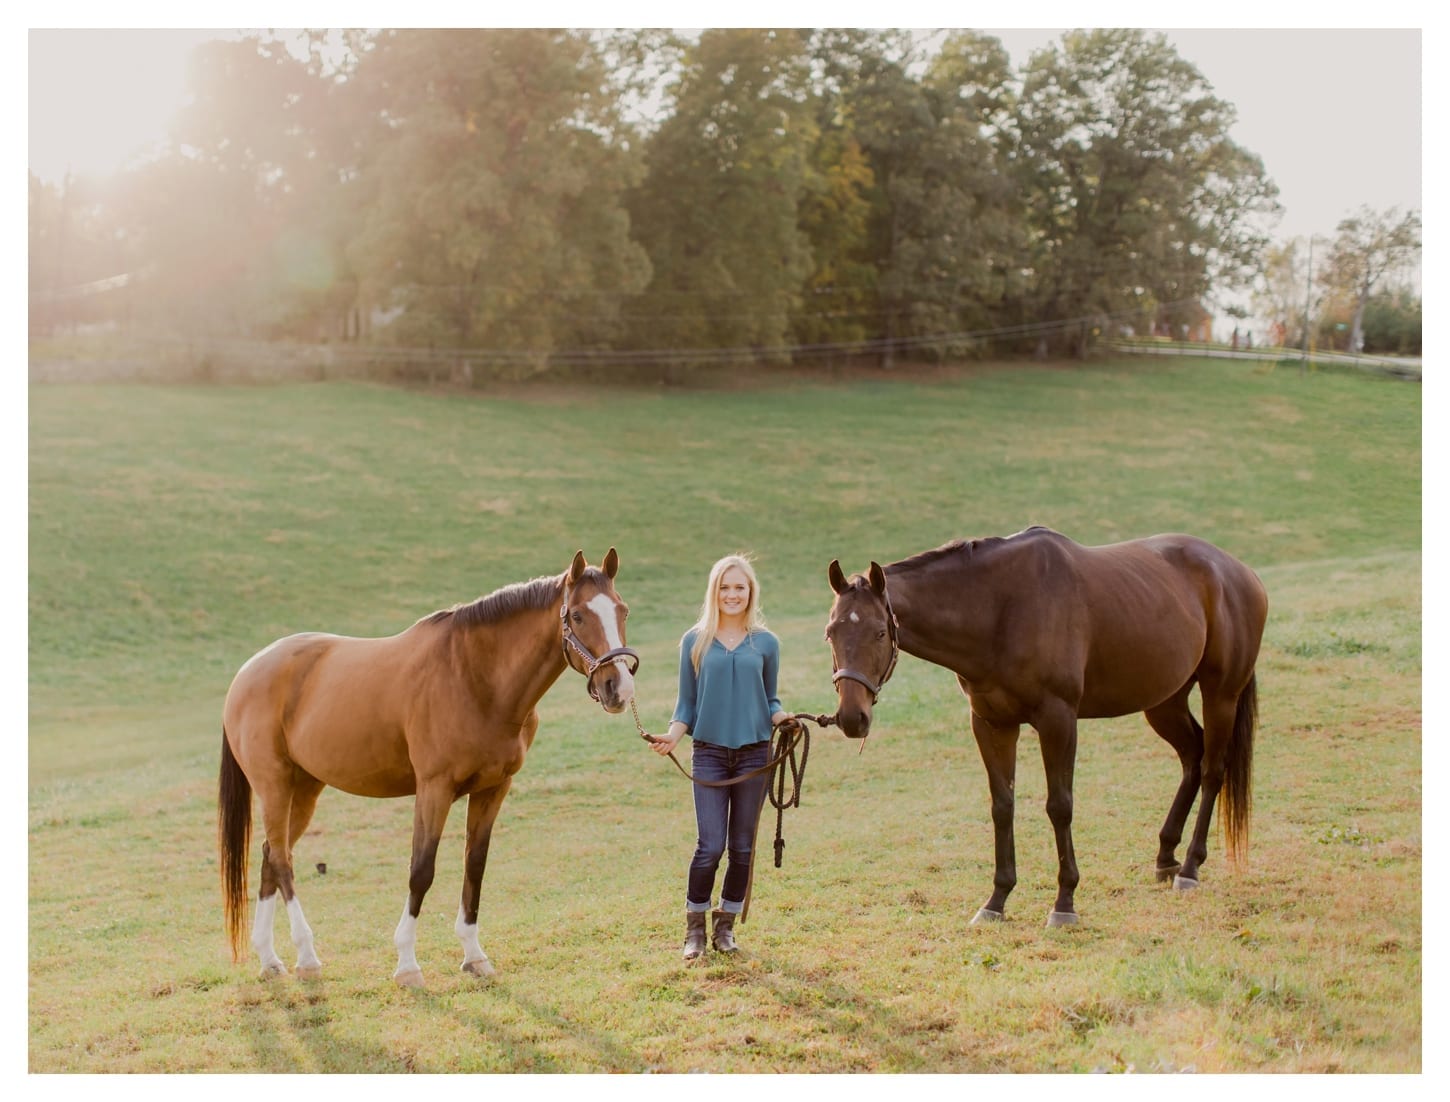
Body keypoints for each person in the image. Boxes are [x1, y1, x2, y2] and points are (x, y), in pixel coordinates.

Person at [651, 553, 801, 960]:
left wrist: (781, 716)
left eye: (740, 587)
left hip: (755, 755)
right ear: (714, 591)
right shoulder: (694, 641)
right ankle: (694, 929)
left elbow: (770, 697)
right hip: (711, 754)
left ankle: (726, 927)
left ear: (750, 592)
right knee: (710, 844)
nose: (732, 594)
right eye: (725, 587)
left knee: (742, 847)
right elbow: (687, 704)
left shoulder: (766, 643)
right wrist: (673, 736)